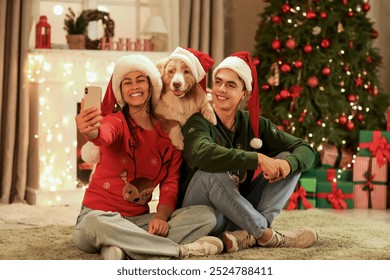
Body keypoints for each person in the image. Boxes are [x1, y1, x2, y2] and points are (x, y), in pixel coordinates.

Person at [74, 54, 223, 260]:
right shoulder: (116, 121)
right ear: (121, 91)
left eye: (140, 80)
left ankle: (122, 249)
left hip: (138, 220)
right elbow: (102, 135)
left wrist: (161, 217)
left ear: (151, 85)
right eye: (127, 82)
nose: (134, 86)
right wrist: (89, 131)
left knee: (206, 216)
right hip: (97, 217)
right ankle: (175, 251)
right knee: (95, 223)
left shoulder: (170, 134)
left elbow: (170, 183)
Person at [179, 51, 318, 253]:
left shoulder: (254, 124)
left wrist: (286, 165)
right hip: (202, 212)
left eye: (231, 85)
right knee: (213, 172)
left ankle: (246, 234)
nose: (221, 89)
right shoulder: (198, 121)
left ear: (245, 93)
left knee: (287, 158)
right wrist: (258, 159)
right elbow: (203, 154)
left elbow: (305, 150)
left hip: (235, 213)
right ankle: (265, 234)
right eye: (218, 82)